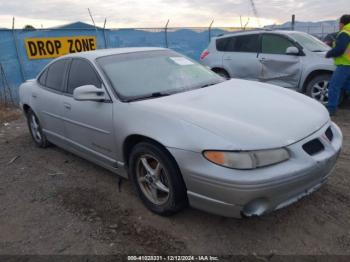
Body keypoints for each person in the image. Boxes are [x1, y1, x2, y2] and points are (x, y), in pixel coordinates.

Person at [326, 14, 350, 116]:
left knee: (334, 86)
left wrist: (329, 53)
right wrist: (332, 44)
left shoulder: (344, 32)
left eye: (339, 23)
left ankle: (331, 109)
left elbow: (340, 49)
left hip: (345, 64)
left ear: (342, 23)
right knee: (347, 86)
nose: (338, 26)